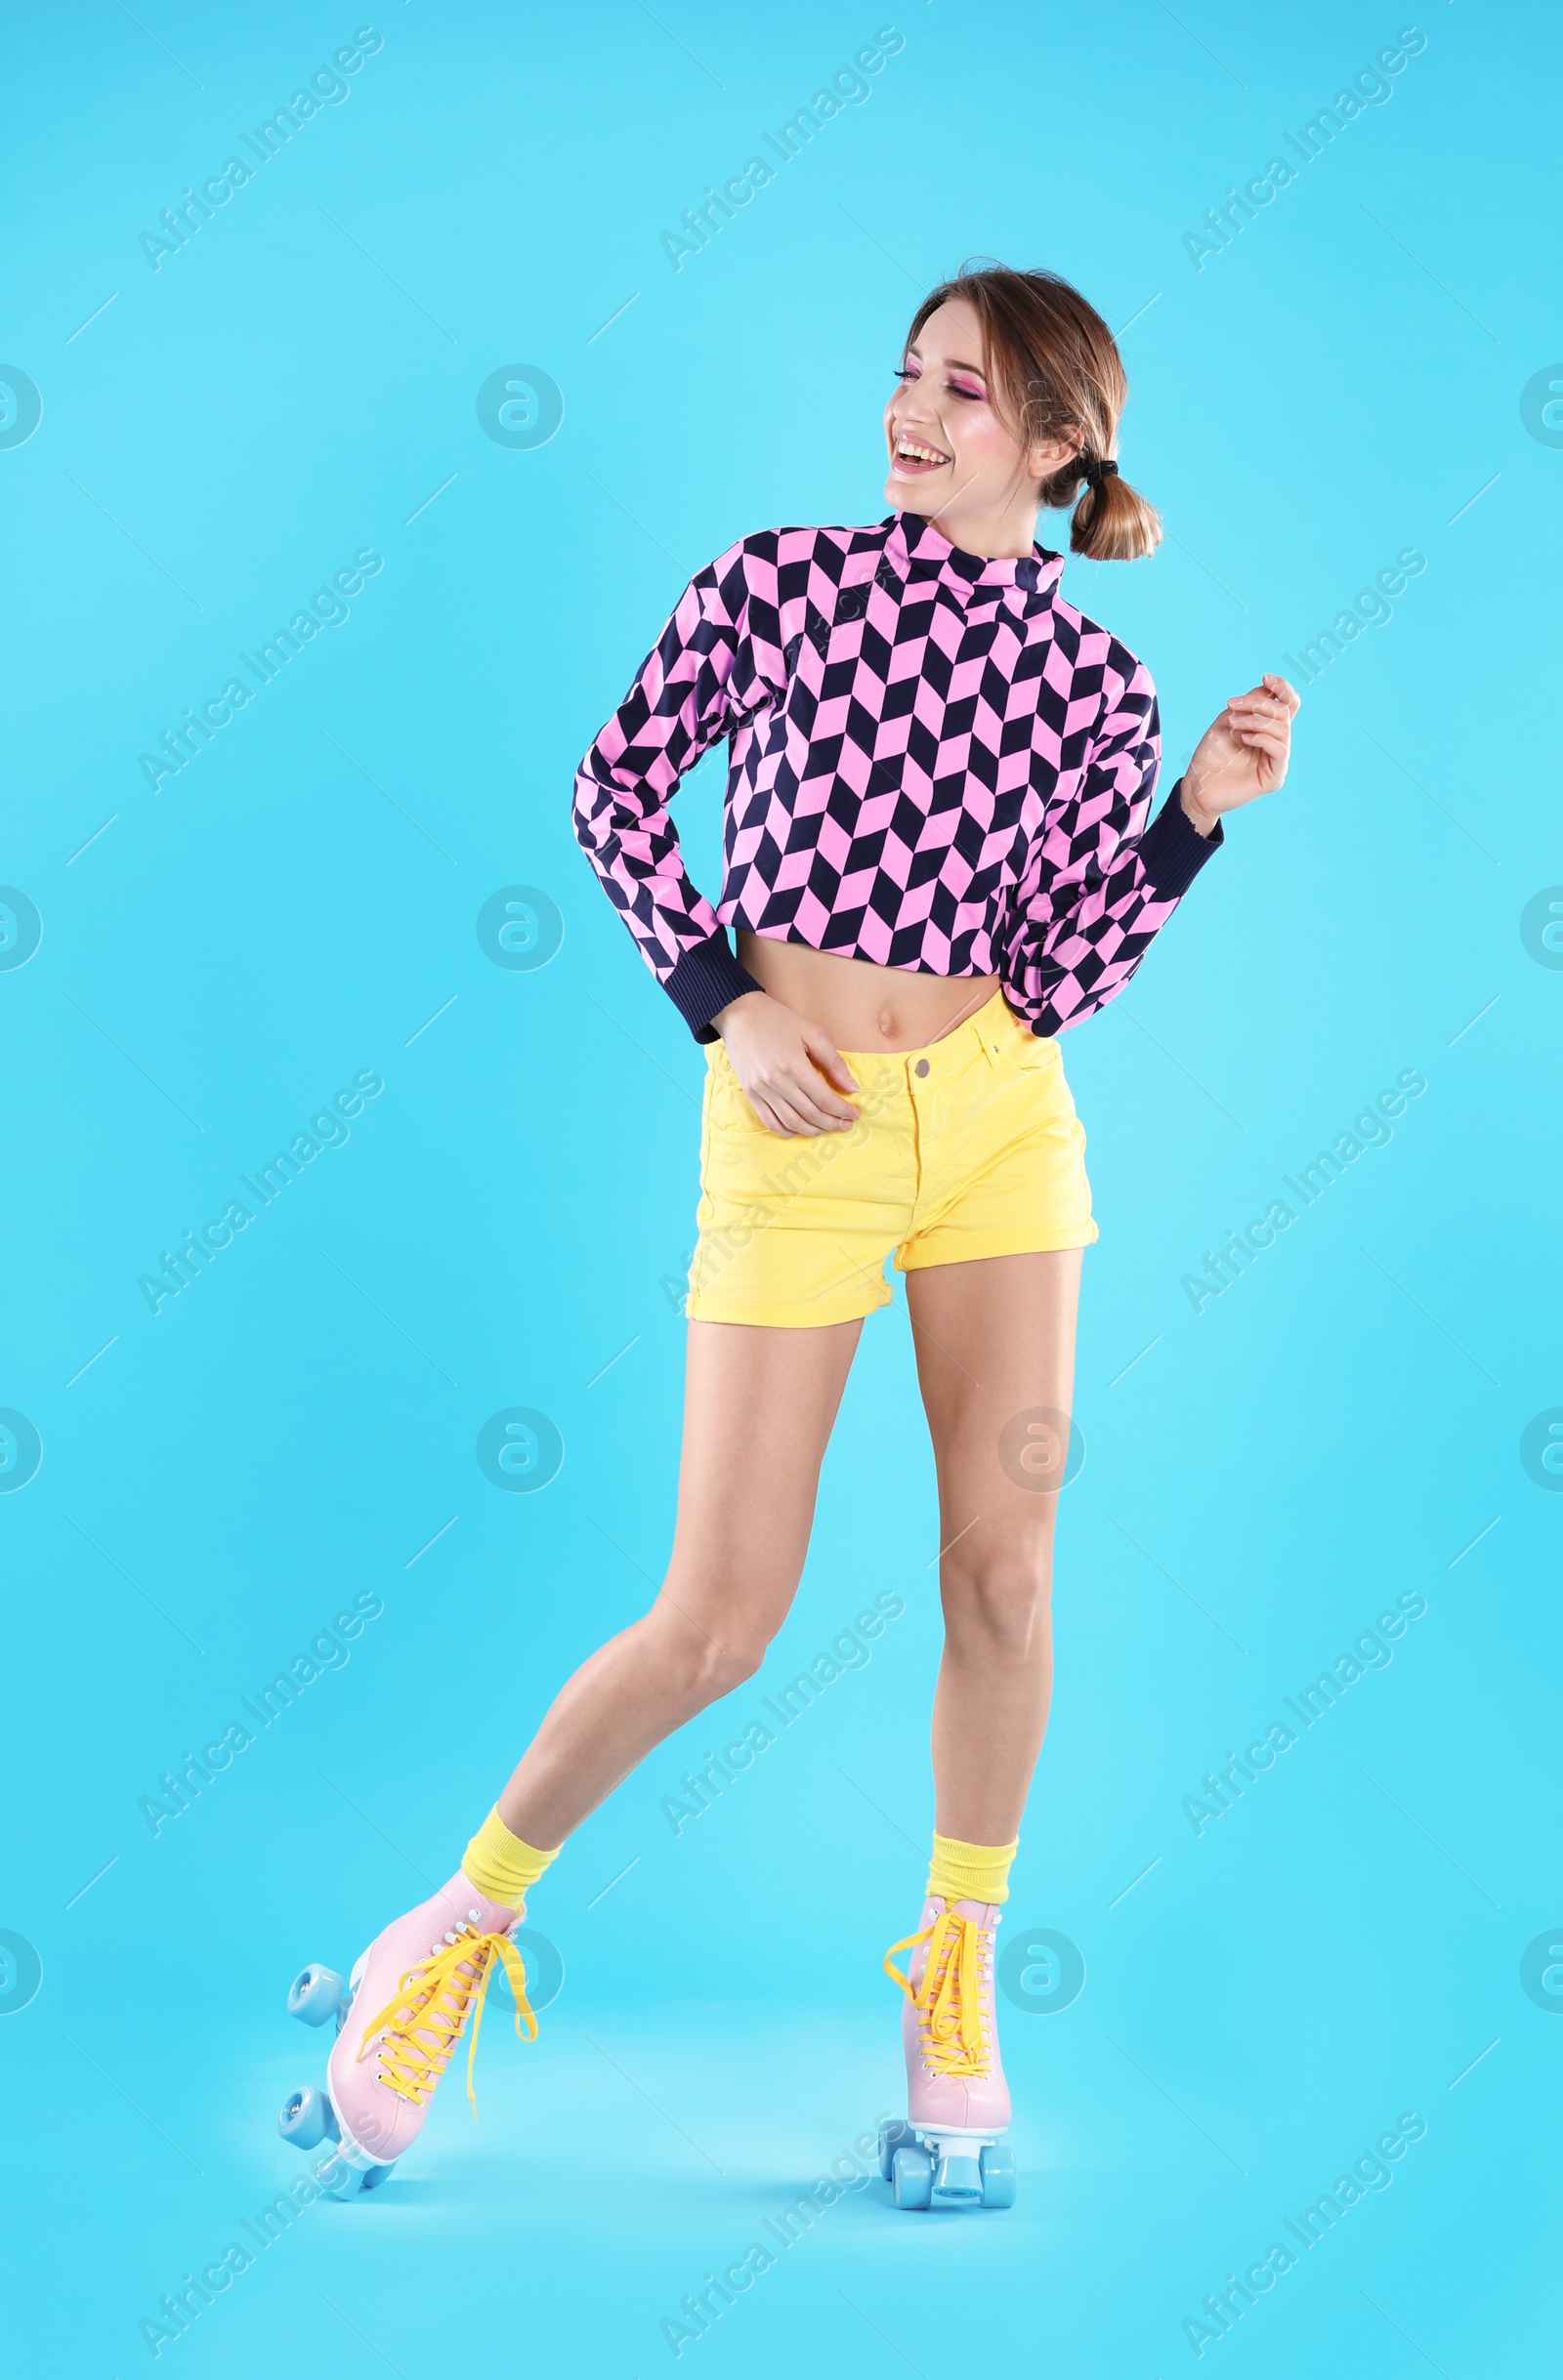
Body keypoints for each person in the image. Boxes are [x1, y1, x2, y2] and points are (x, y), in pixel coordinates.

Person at [277, 263, 1297, 2202]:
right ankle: (453, 1927)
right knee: (717, 1620)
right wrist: (721, 1004)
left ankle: (952, 1972)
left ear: (1065, 443)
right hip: (796, 1122)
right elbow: (614, 787)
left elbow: (1062, 969)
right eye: (905, 377)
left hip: (995, 1123)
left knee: (1001, 1579)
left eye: (967, 395)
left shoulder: (1094, 681)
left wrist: (1192, 813)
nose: (912, 416)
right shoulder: (775, 582)